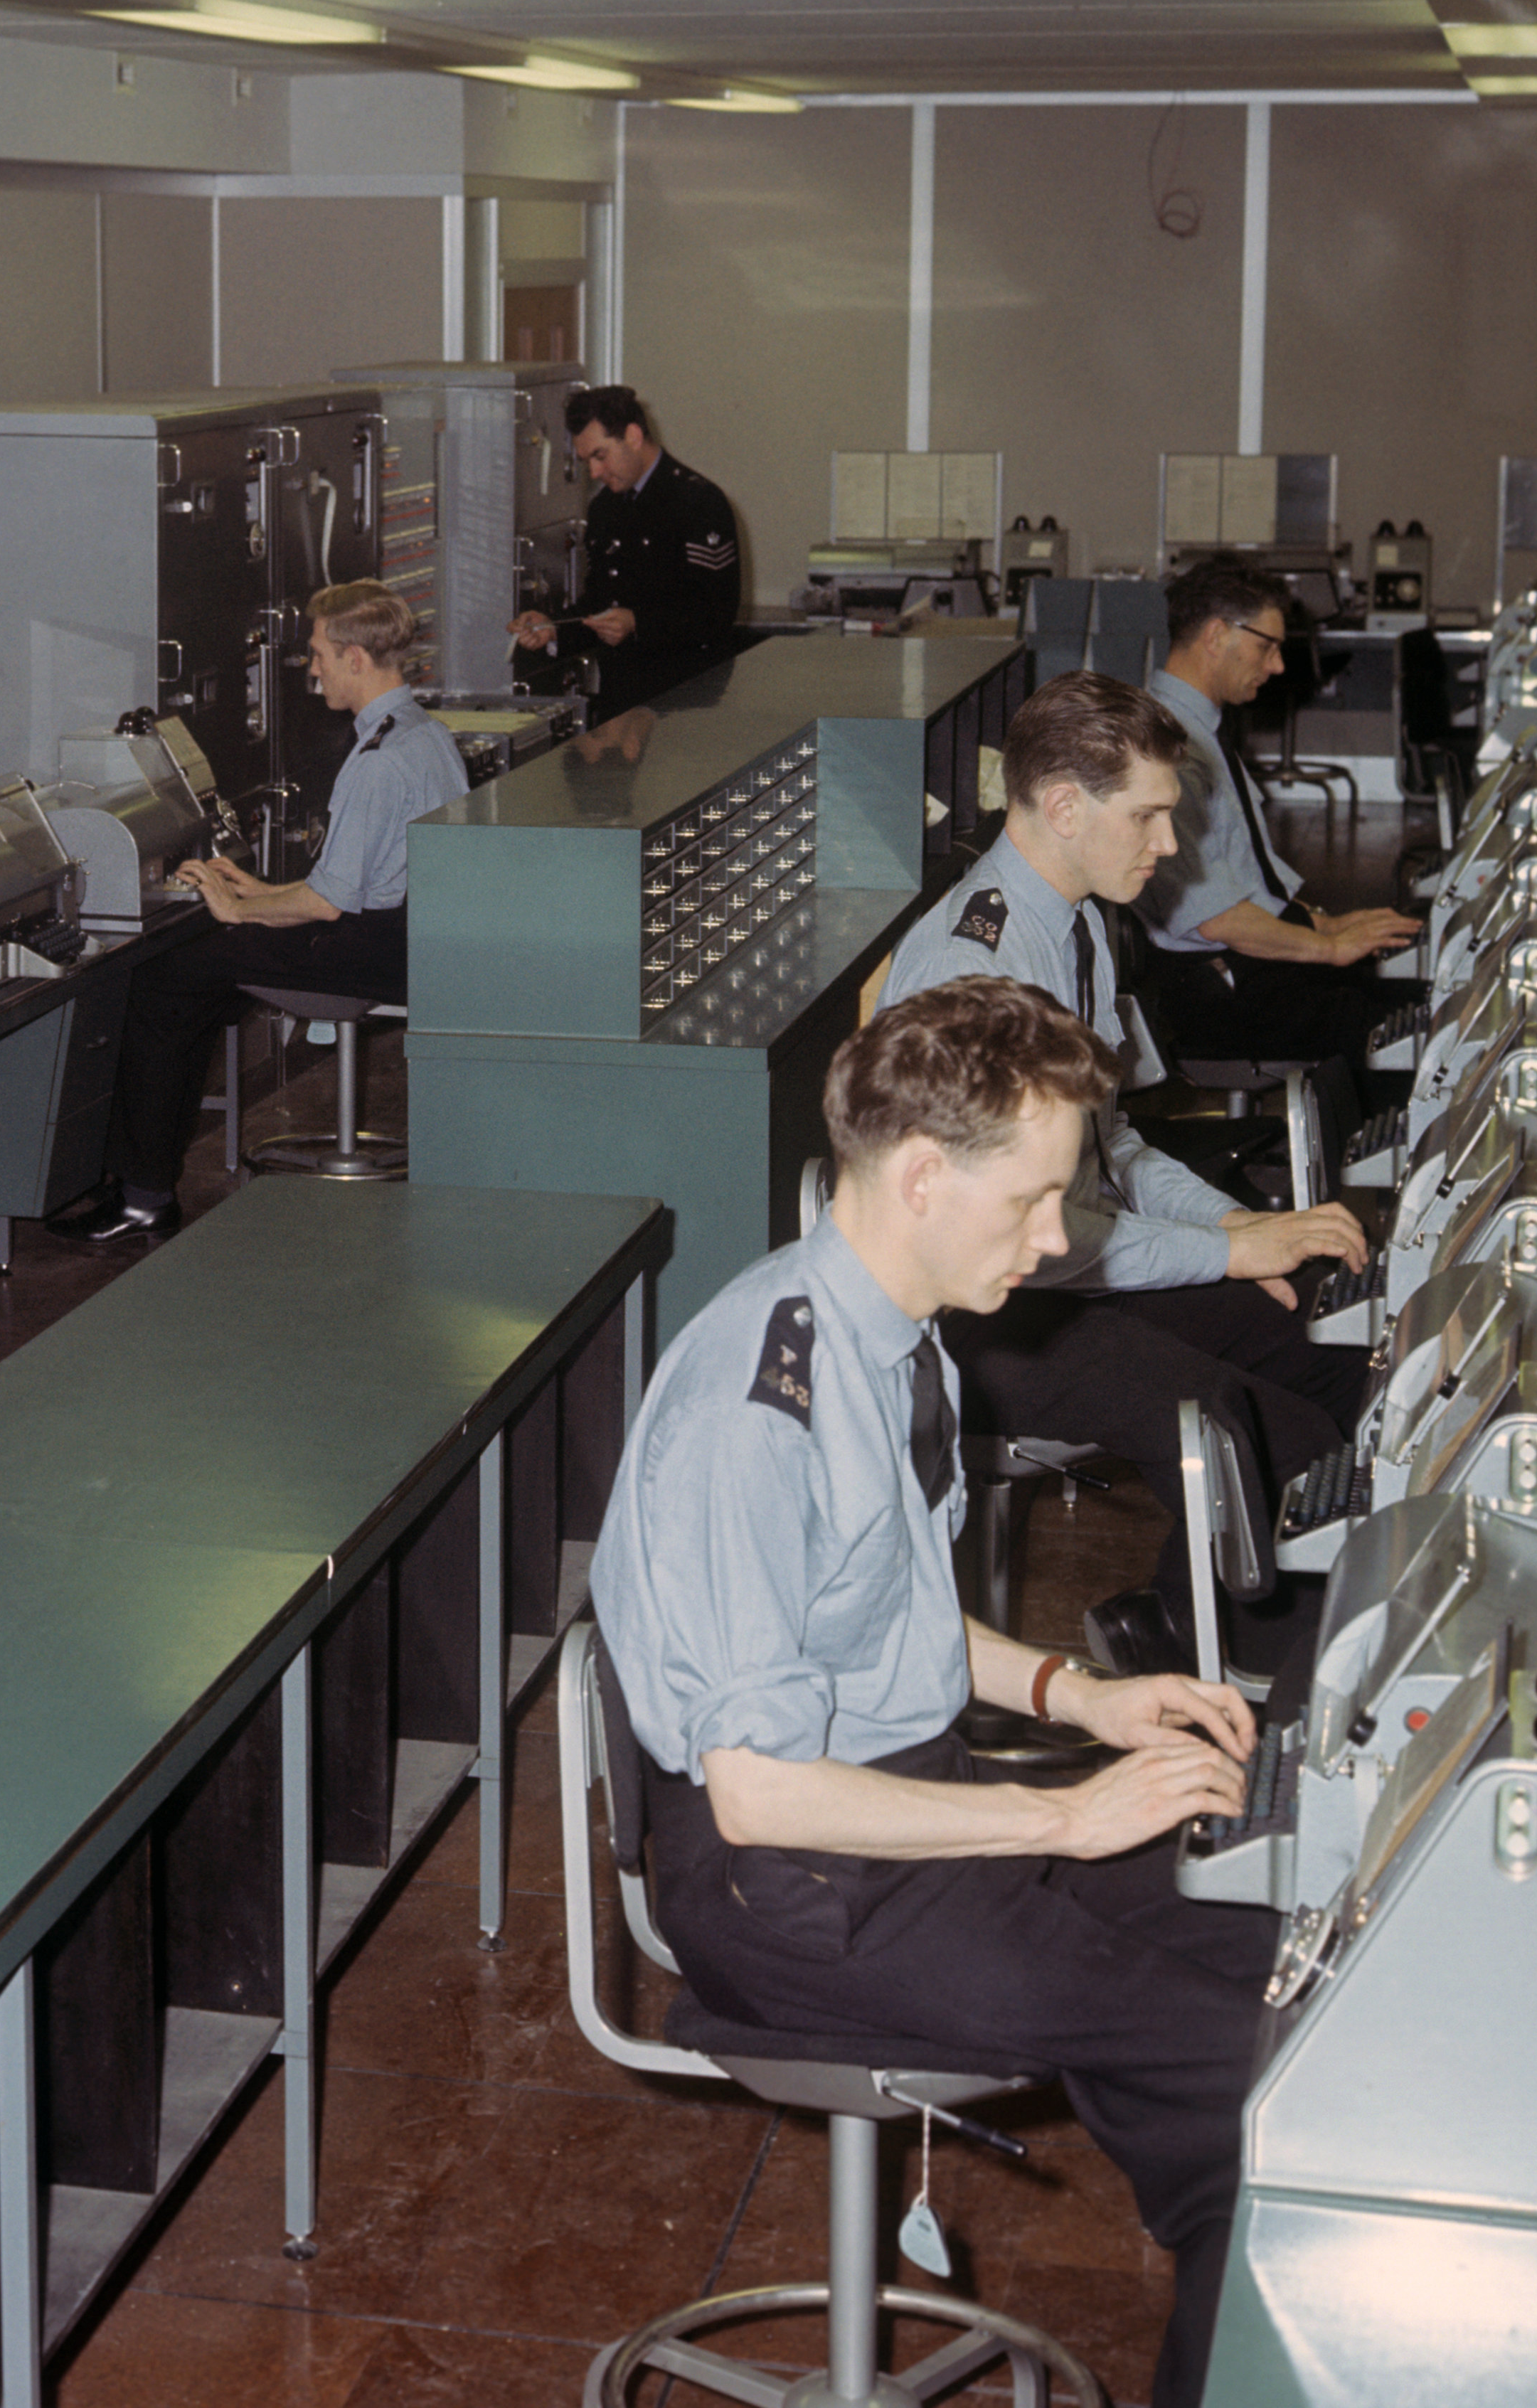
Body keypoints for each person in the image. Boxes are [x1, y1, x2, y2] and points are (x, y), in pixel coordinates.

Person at [588, 975, 1274, 2408]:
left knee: (1266, 1935)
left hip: (901, 1803)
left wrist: (1075, 1699)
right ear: (916, 1175)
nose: (1053, 1233)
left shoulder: (890, 1334)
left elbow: (882, 1605)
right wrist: (1063, 1819)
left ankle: (1209, 2222)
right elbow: (758, 1788)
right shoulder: (752, 1405)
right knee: (1246, 2076)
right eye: (1029, 1196)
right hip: (779, 1878)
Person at [879, 671, 1370, 1680]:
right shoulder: (987, 973)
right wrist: (1219, 1255)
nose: (1170, 844)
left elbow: (1120, 1149)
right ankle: (1229, 1672)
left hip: (1074, 1265)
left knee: (1337, 1351)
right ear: (1064, 807)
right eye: (1147, 816)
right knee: (1266, 1427)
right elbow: (1022, 1241)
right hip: (989, 1310)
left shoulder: (1079, 920)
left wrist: (1236, 1232)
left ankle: (1174, 1616)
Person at [49, 581, 467, 1244]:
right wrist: (250, 890)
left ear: (357, 659)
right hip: (411, 937)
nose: (312, 668)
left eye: (319, 653)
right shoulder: (424, 732)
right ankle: (140, 1175)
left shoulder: (379, 763)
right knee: (196, 981)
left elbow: (329, 903)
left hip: (367, 950)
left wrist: (237, 909)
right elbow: (348, 879)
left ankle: (142, 1196)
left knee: (158, 981)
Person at [1139, 560, 1420, 1063]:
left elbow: (1246, 882)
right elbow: (1219, 919)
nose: (1277, 666)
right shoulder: (1167, 745)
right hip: (1218, 987)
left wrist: (1332, 926)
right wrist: (1331, 948)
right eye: (1267, 646)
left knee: (1418, 999)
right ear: (1217, 634)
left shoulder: (1198, 730)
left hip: (1242, 966)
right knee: (1419, 1038)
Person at [506, 383, 742, 718]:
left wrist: (638, 623)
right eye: (587, 460)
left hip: (687, 704)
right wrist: (554, 628)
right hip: (622, 701)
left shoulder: (698, 502)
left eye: (600, 456)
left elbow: (715, 615)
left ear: (632, 436)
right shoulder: (606, 508)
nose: (595, 473)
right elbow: (600, 603)